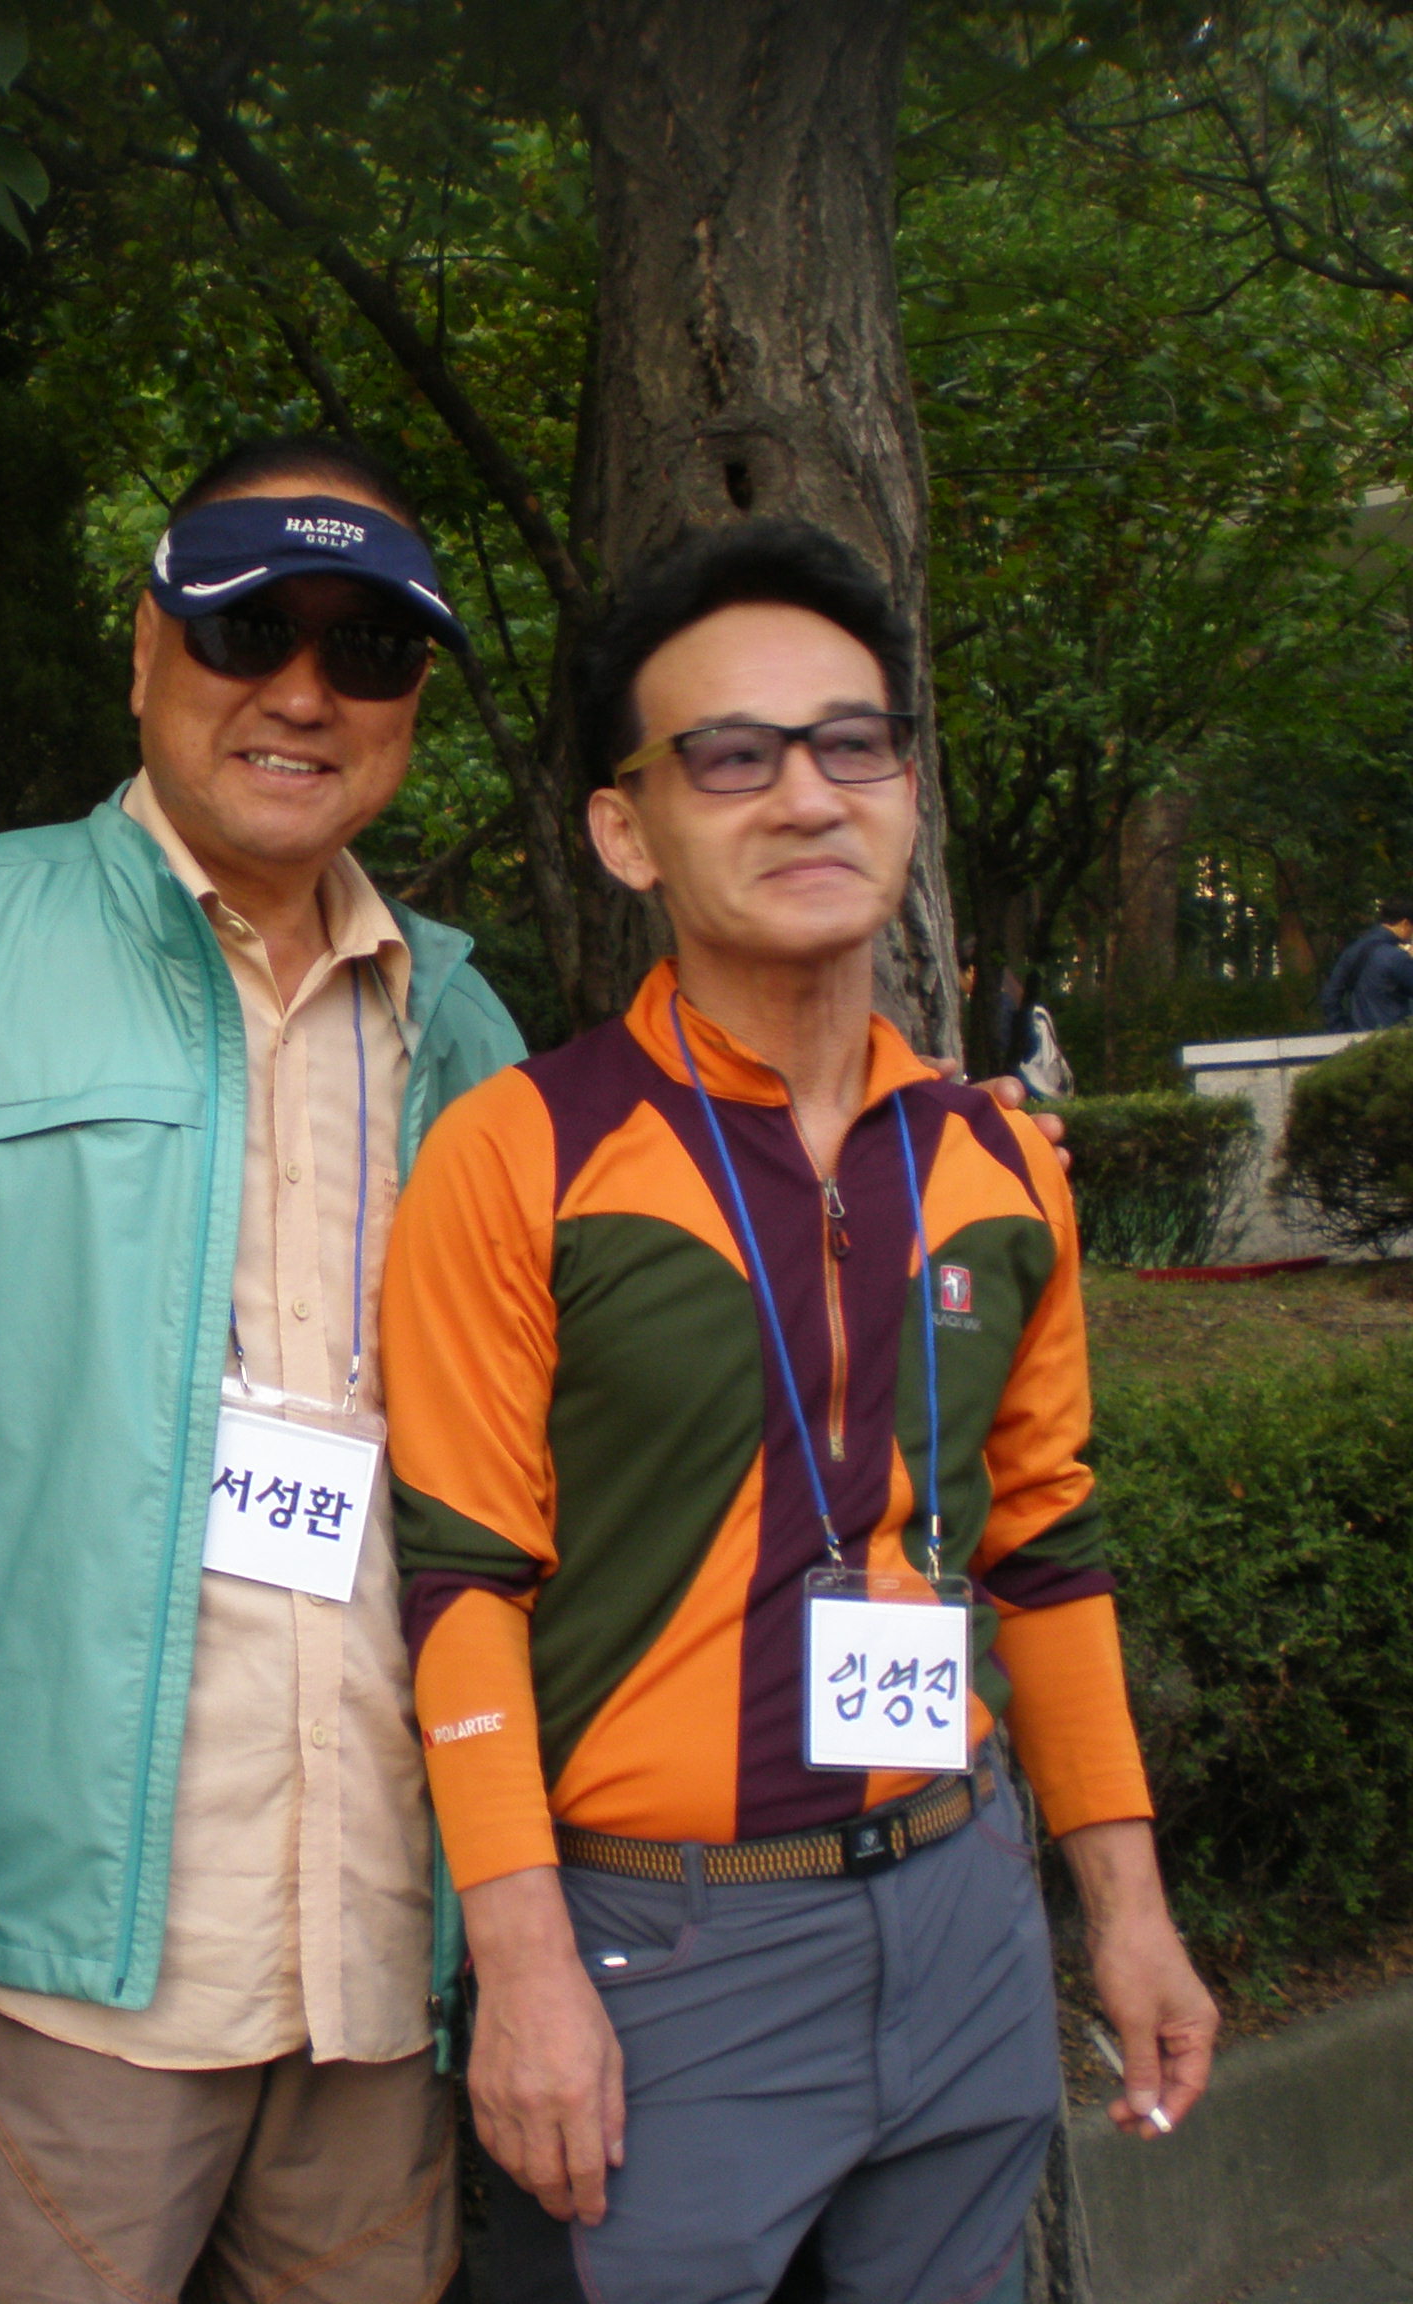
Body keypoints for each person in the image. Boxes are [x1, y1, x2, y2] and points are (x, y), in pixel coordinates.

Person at [384, 520, 1217, 2304]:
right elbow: (457, 1581)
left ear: (907, 791)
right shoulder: (521, 1149)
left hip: (959, 1901)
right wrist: (520, 1962)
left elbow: (1046, 1549)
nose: (807, 795)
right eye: (731, 757)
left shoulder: (999, 1163)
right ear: (629, 829)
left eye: (852, 744)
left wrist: (1126, 1908)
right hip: (662, 1938)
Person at [0, 436, 527, 2302]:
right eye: (249, 626)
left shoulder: (465, 1028)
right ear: (142, 647)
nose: (302, 690)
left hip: (377, 1950)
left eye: (367, 649)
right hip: (41, 1968)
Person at [1319, 900, 1413, 1032]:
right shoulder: (1397, 957)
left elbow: (1331, 994)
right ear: (1405, 923)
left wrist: (1338, 1030)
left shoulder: (1353, 950)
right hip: (1393, 1034)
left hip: (1357, 1033)